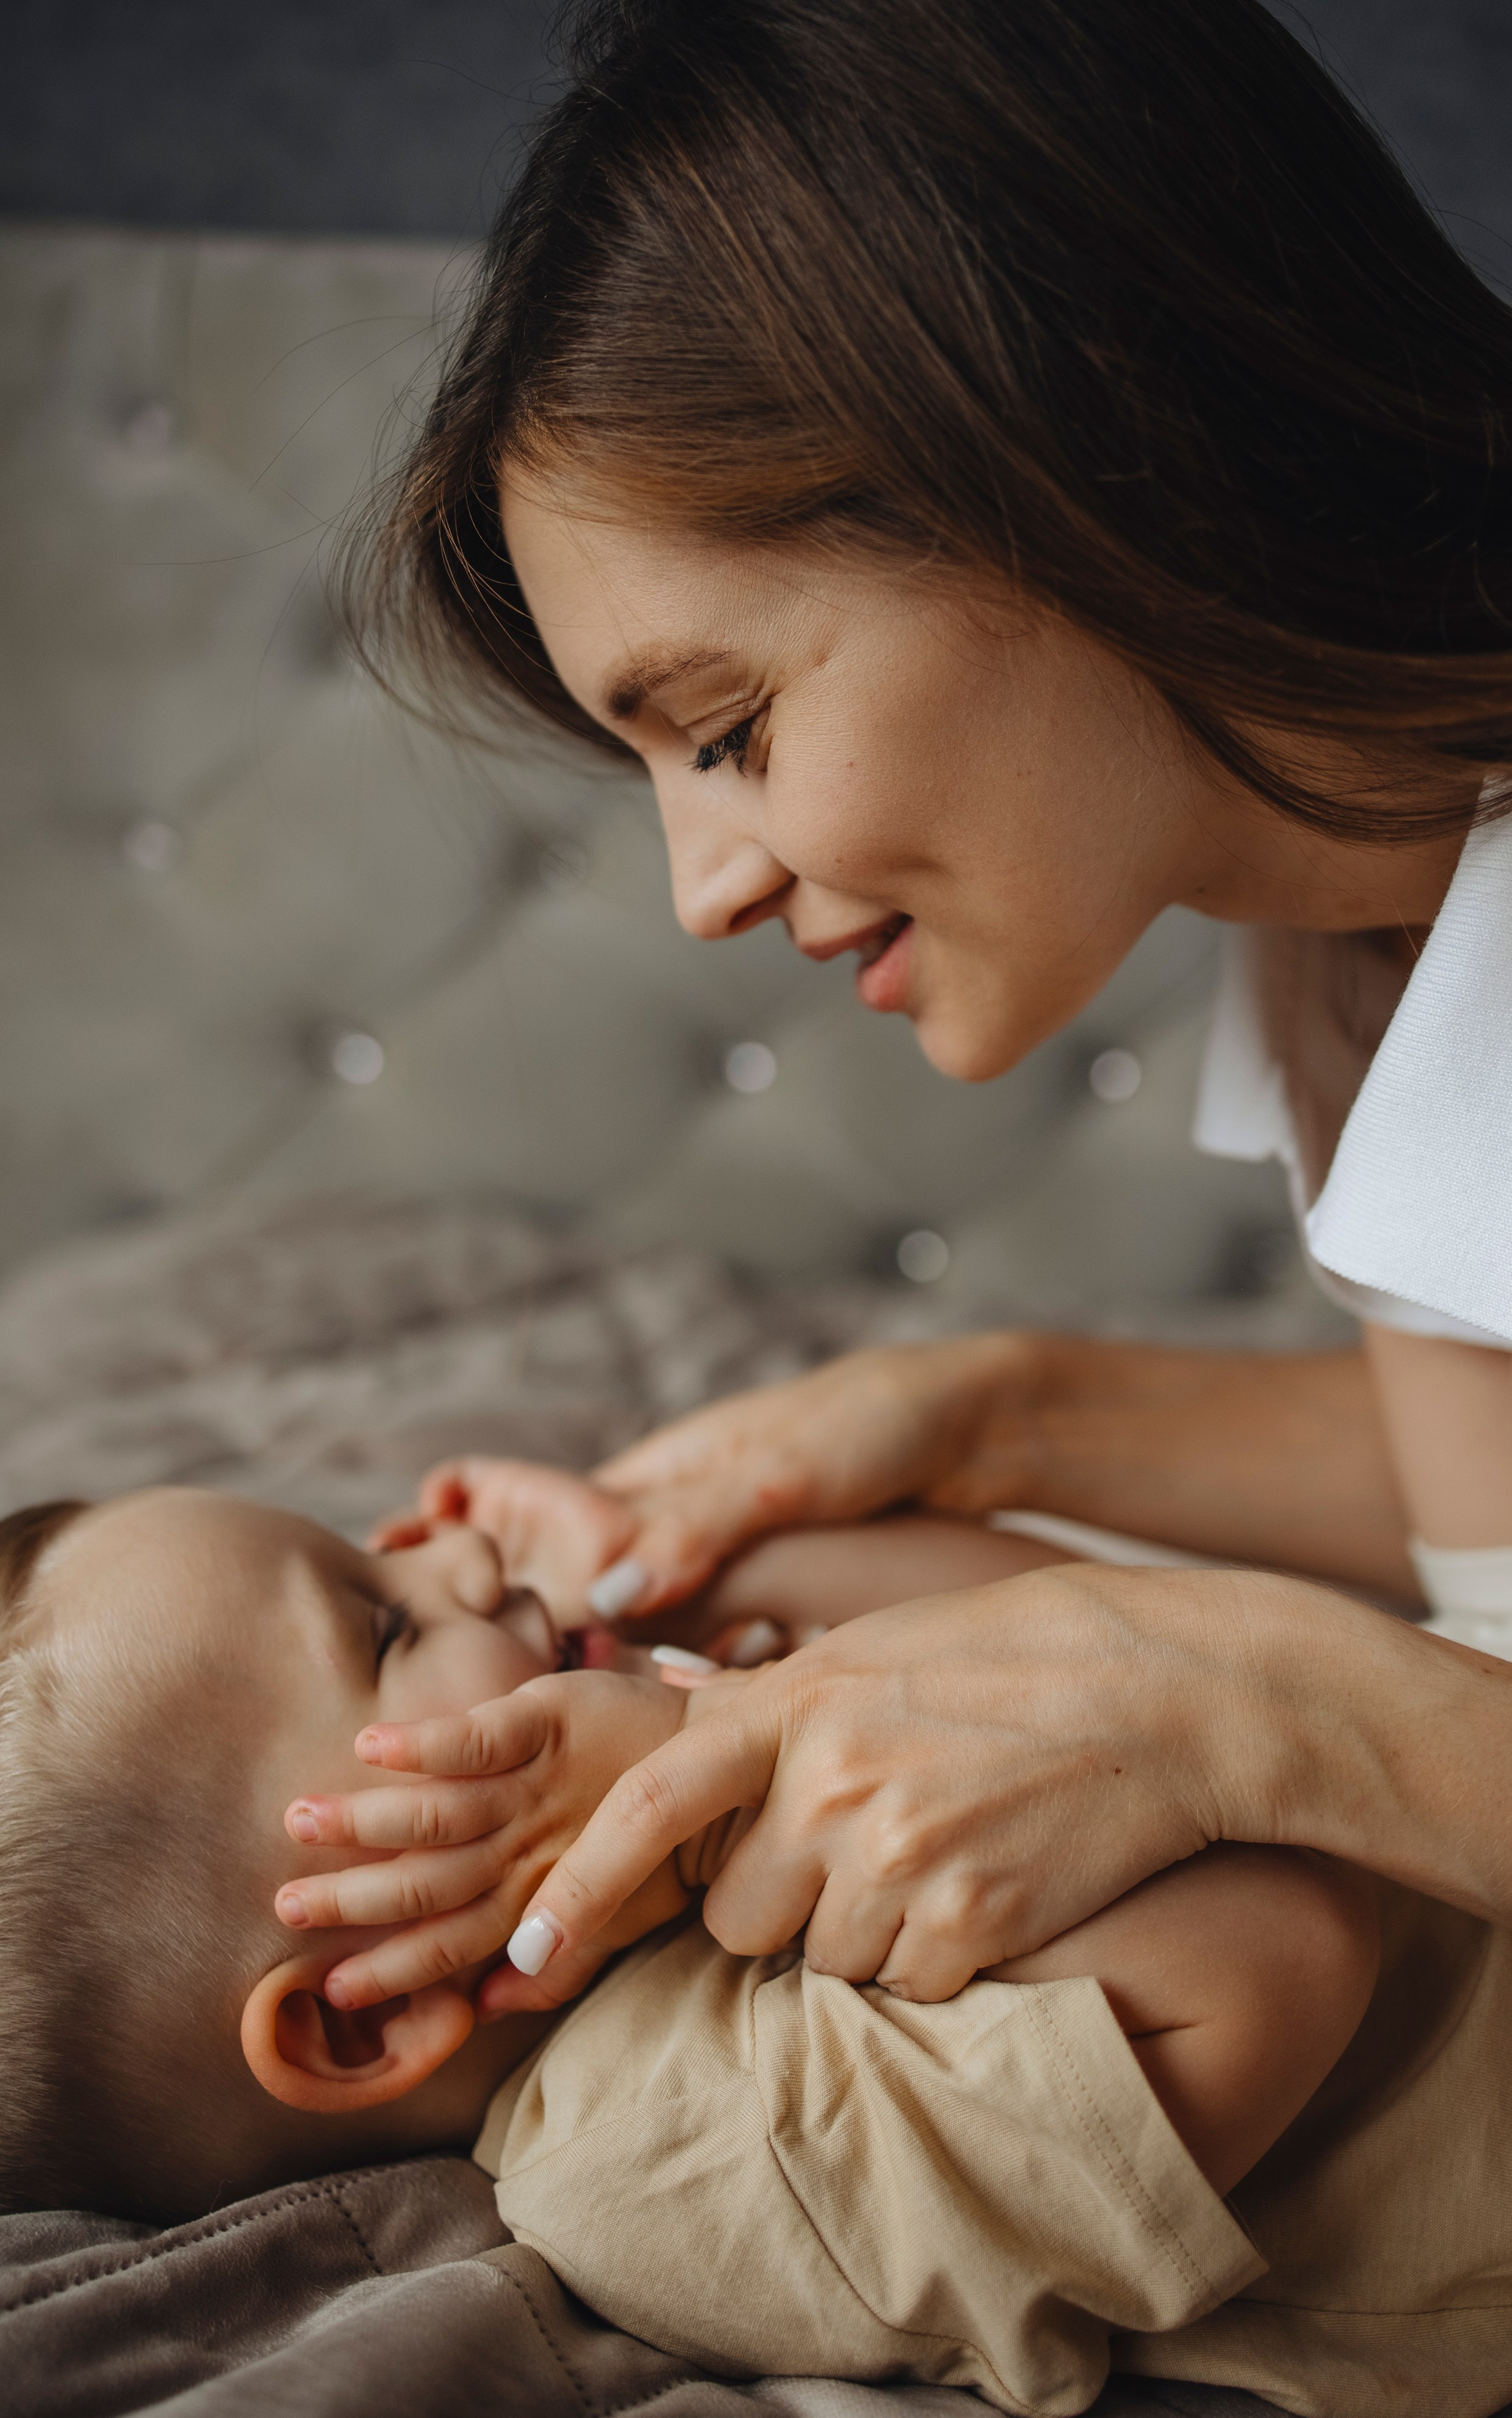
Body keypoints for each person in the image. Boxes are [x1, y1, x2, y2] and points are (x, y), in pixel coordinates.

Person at [341, 0, 1512, 2005]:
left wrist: (1250, 1700)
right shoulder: (1349, 909)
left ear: (1078, 453)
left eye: (725, 726)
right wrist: (986, 1416)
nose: (704, 889)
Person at [0, 1482, 1508, 2418]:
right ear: (361, 2015)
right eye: (383, 1622)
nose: (456, 1565)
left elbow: (1072, 1634)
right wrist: (733, 1766)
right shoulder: (674, 2148)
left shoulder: (690, 1771)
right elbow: (1287, 1937)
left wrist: (698, 1586)